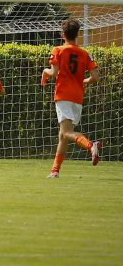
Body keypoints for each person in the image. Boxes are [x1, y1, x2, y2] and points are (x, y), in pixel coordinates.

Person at [41, 18, 100, 178]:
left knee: (66, 133)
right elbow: (95, 76)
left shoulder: (58, 49)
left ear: (63, 34)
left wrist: (44, 73)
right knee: (63, 135)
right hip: (78, 97)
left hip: (63, 95)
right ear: (77, 34)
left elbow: (53, 73)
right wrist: (84, 81)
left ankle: (90, 145)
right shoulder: (85, 53)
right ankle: (55, 171)